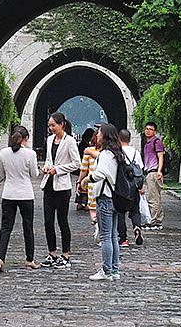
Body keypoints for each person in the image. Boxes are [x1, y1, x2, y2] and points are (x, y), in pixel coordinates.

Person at [0, 127, 40, 272]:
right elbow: (34, 174)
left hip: (9, 194)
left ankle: (0, 258)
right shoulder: (30, 154)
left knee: (6, 227)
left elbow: (0, 173)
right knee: (28, 227)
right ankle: (29, 259)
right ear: (26, 138)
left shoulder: (4, 152)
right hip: (25, 194)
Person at [38, 113, 82, 268]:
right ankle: (52, 252)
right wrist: (46, 166)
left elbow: (77, 163)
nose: (51, 128)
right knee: (48, 221)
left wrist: (59, 170)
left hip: (62, 186)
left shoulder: (70, 141)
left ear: (62, 124)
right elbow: (50, 159)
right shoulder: (50, 140)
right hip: (49, 184)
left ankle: (65, 254)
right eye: (49, 125)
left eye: (53, 125)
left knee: (62, 221)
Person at [85, 123, 127, 281]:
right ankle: (115, 270)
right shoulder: (117, 153)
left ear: (105, 136)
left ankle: (106, 270)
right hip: (116, 198)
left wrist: (86, 180)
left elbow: (100, 173)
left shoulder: (104, 154)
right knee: (113, 235)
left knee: (105, 236)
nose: (97, 135)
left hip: (105, 197)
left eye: (100, 132)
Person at [141, 122, 167, 229]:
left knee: (153, 198)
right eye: (146, 129)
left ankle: (153, 219)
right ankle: (158, 219)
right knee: (156, 197)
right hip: (149, 172)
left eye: (150, 129)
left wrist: (159, 171)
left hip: (154, 172)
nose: (148, 131)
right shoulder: (147, 143)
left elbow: (160, 157)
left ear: (154, 131)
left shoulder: (157, 142)